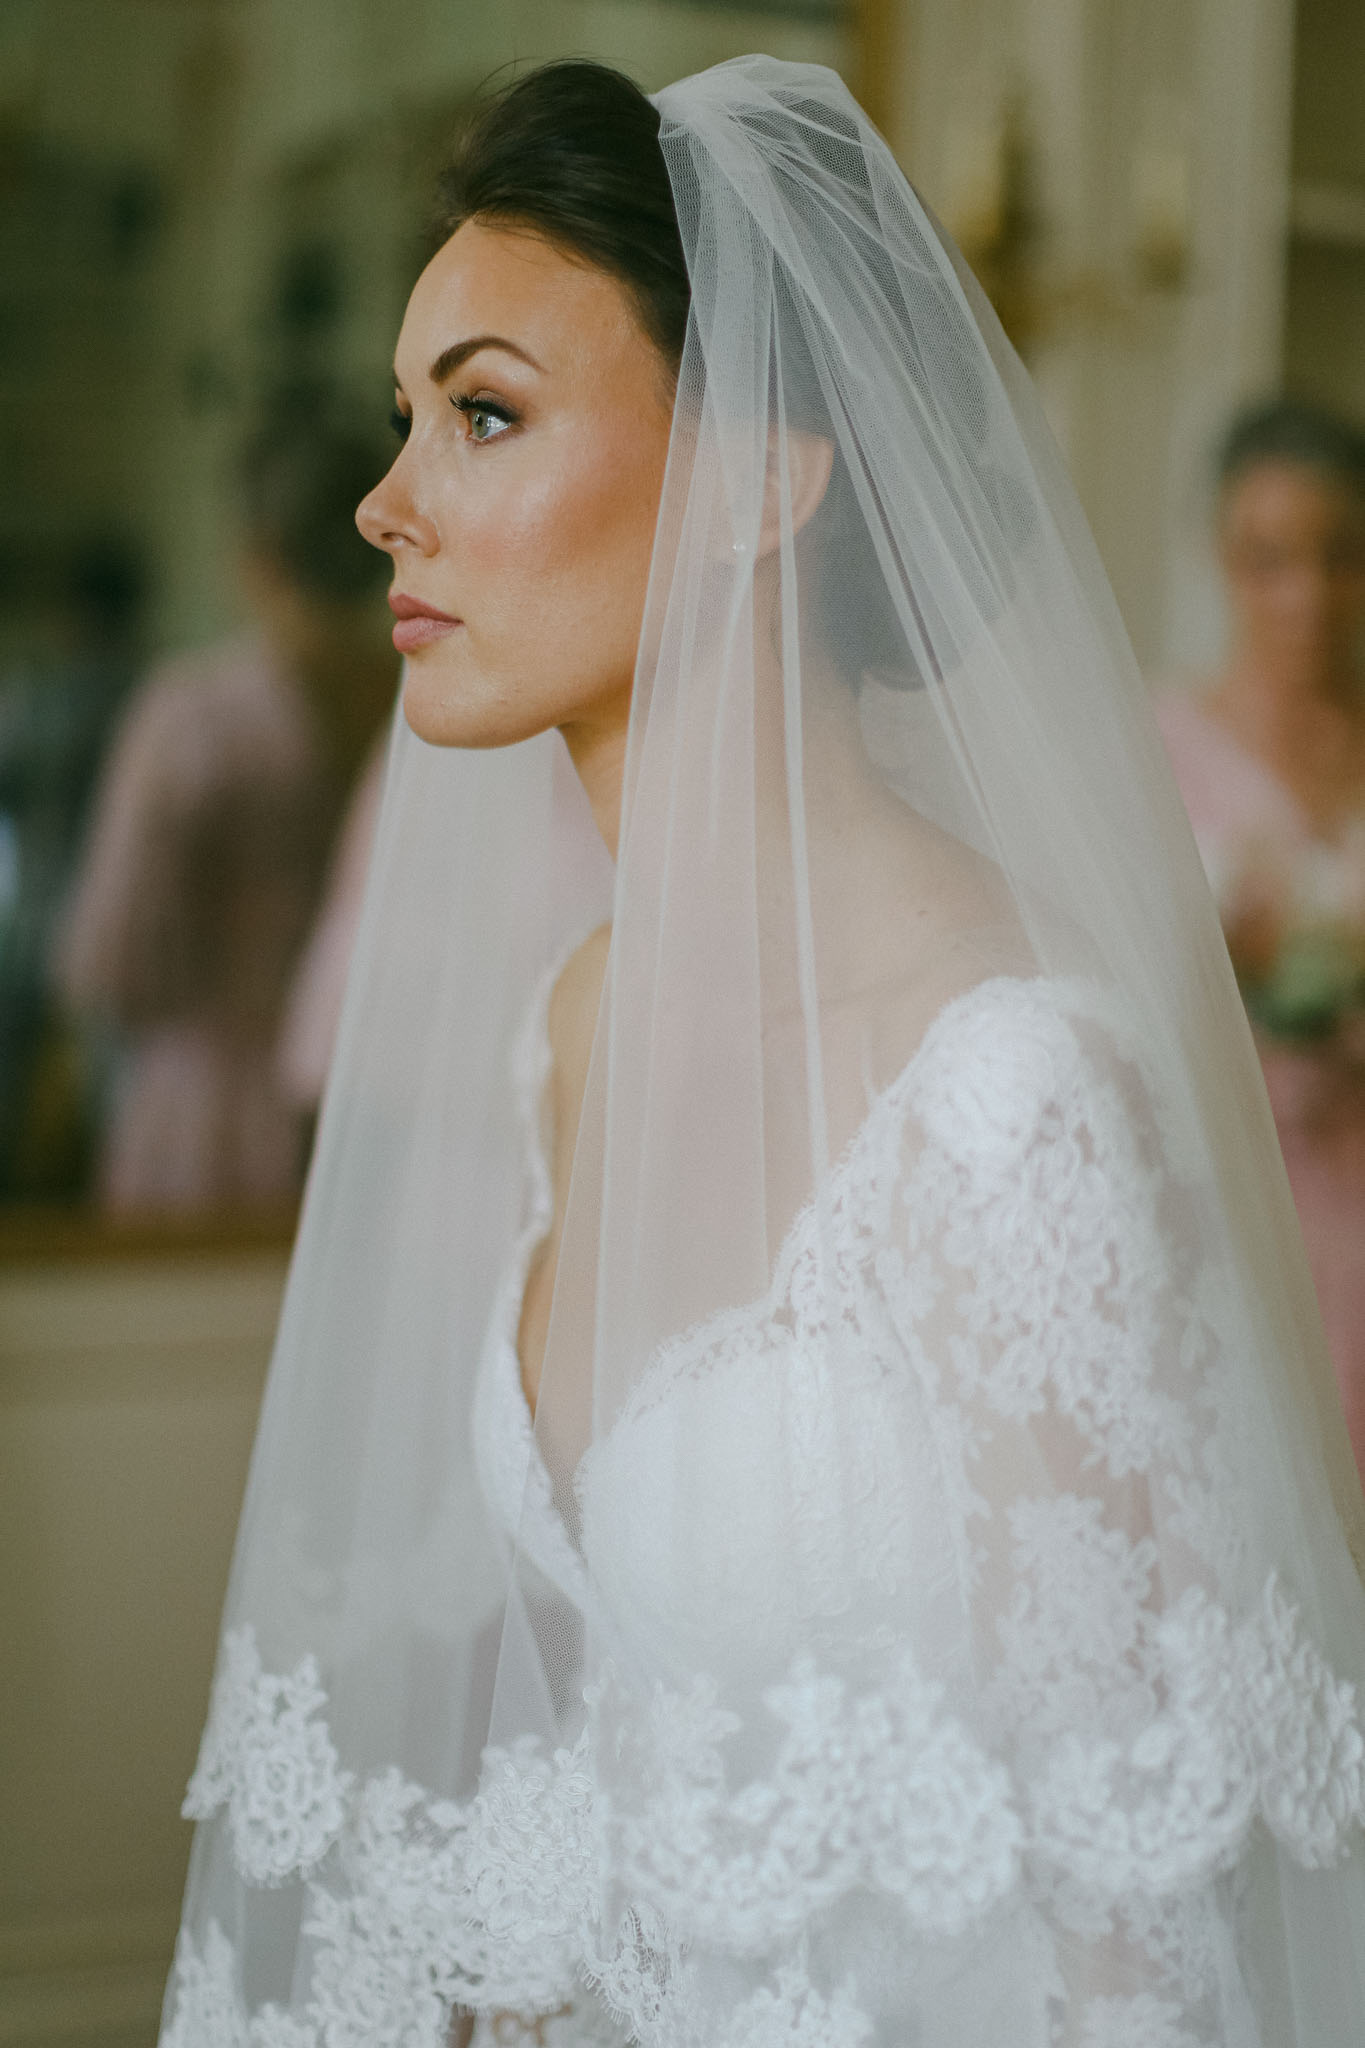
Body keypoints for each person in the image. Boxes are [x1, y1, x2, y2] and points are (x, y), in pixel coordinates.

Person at [161, 60, 1365, 2048]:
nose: (386, 502)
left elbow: (1135, 1932)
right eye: (407, 421)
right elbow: (600, 1758)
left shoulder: (1006, 1088)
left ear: (758, 478)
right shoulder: (571, 1023)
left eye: (482, 412)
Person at [57, 415, 397, 1213]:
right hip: (375, 1104)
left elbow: (113, 951)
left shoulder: (191, 719)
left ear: (259, 555)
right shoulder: (422, 710)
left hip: (207, 1103)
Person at [1157, 400, 1365, 1484]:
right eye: (1268, 559)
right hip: (1225, 1214)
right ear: (1223, 562)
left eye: (1339, 559)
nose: (1304, 598)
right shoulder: (1156, 748)